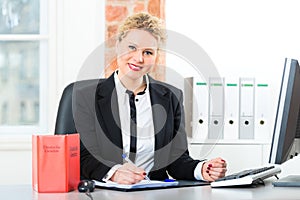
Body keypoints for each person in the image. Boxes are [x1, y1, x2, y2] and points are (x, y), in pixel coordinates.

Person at [74, 12, 227, 185]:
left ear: (156, 56)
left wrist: (201, 169)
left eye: (148, 52)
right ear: (117, 46)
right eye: (132, 47)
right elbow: (83, 157)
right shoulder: (86, 97)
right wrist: (114, 173)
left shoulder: (171, 98)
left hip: (154, 193)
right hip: (107, 193)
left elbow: (176, 161)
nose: (139, 58)